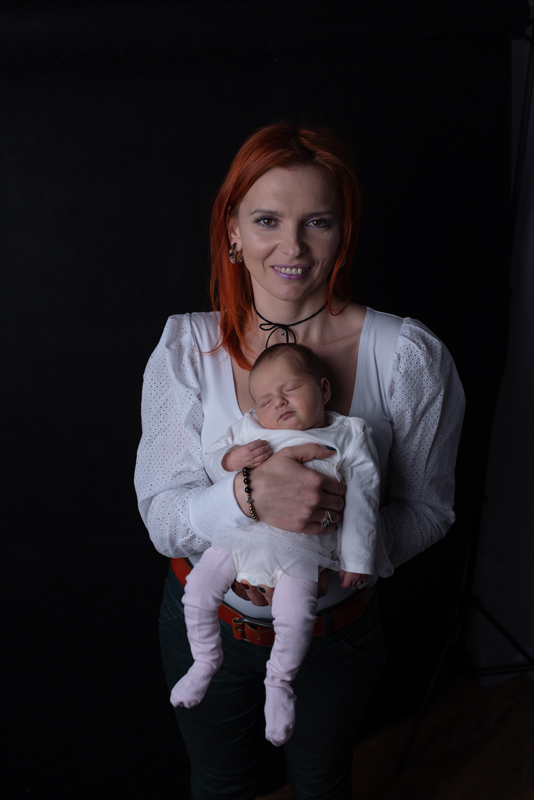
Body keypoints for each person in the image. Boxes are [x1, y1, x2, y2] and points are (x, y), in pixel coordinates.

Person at [134, 122, 465, 800]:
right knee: (219, 784)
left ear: (344, 231)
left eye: (317, 221)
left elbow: (430, 509)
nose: (292, 247)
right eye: (267, 221)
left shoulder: (406, 356)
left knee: (321, 782)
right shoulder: (186, 350)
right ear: (232, 231)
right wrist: (246, 496)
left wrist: (325, 554)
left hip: (337, 635)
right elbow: (162, 516)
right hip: (208, 620)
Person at [170, 343, 391, 748]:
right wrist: (232, 458)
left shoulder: (347, 434)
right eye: (266, 400)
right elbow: (213, 459)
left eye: (291, 389)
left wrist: (358, 558)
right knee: (197, 592)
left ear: (324, 389)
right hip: (241, 538)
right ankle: (204, 660)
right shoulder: (250, 429)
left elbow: (364, 498)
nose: (279, 403)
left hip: (302, 550)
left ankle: (279, 683)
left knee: (295, 617)